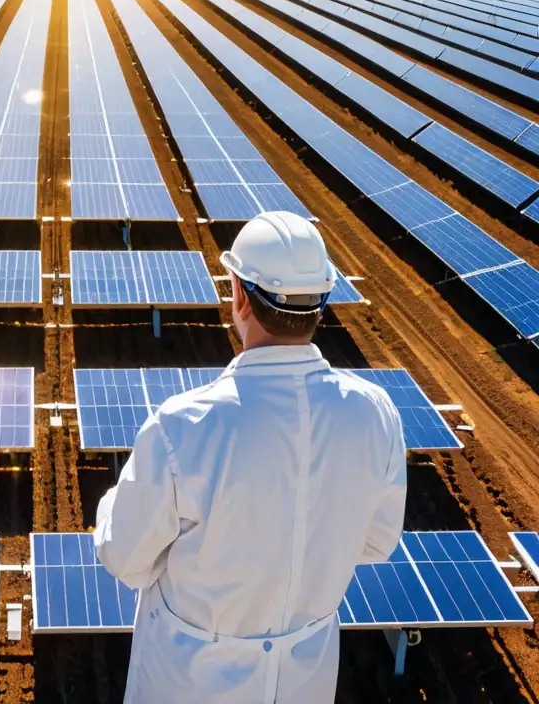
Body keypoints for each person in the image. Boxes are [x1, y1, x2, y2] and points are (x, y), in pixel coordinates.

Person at [94, 211, 407, 704]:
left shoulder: (183, 426)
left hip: (187, 685)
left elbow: (126, 558)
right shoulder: (376, 414)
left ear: (239, 295)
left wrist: (112, 503)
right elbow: (376, 543)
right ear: (322, 304)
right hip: (306, 684)